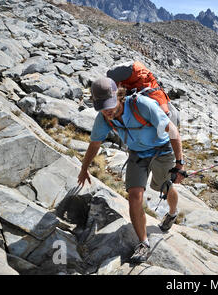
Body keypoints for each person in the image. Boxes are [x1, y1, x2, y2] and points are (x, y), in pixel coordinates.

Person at [77, 77, 186, 263]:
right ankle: (143, 243)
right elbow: (94, 144)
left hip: (162, 150)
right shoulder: (104, 118)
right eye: (102, 107)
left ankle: (172, 213)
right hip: (137, 153)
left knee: (164, 188)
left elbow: (172, 131)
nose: (108, 110)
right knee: (134, 196)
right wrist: (84, 168)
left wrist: (179, 163)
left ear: (119, 96)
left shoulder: (141, 105)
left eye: (110, 104)